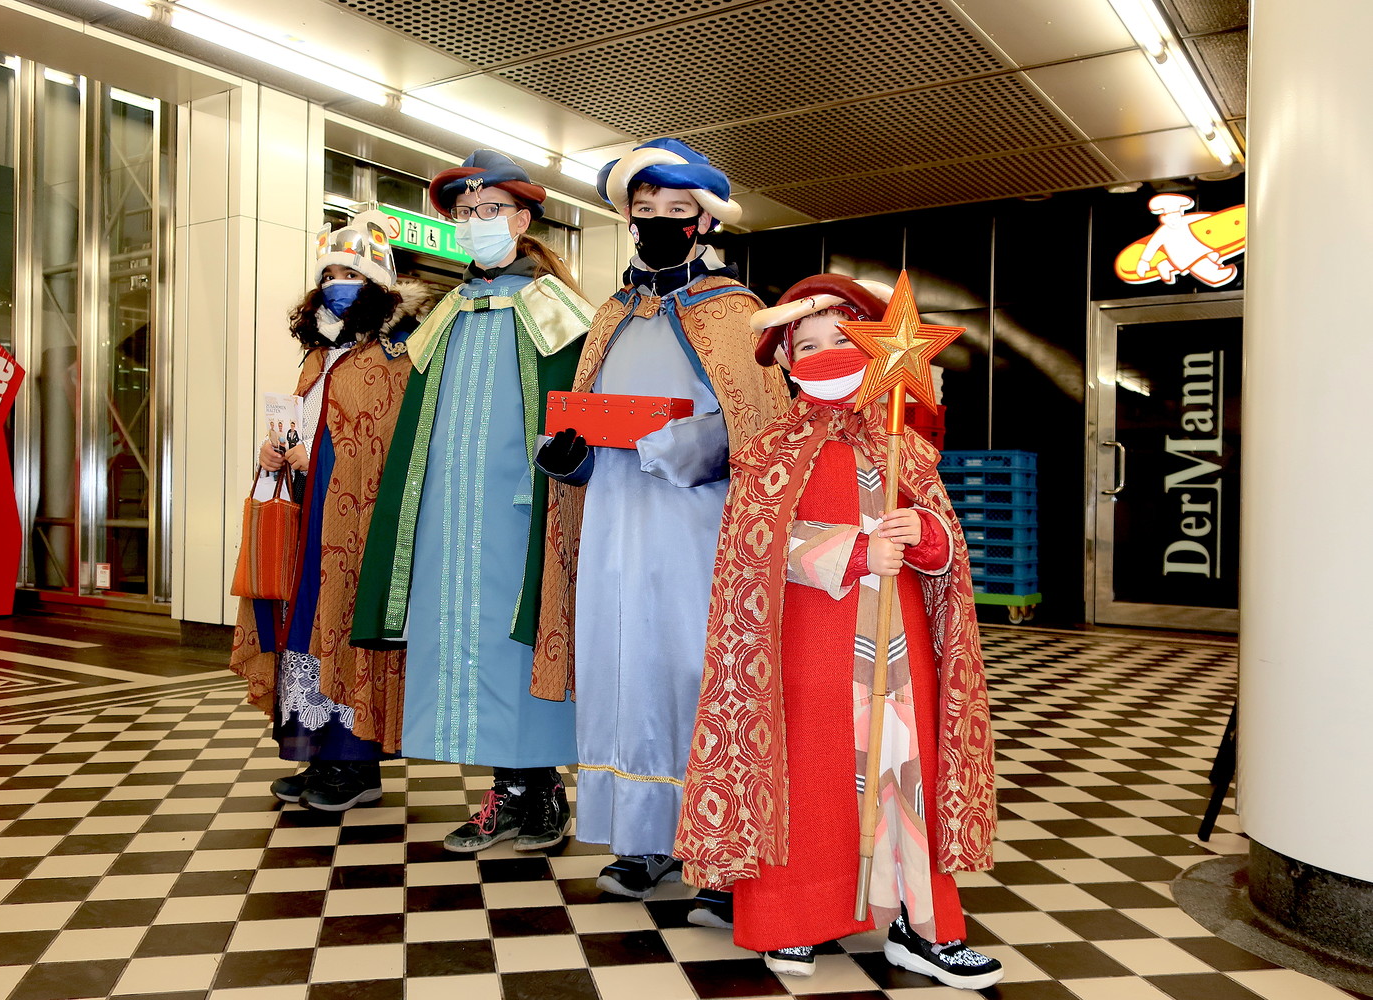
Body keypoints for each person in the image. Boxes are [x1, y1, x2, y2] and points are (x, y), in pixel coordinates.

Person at [674, 275, 1002, 988]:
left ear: (874, 349)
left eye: (842, 337)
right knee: (810, 778)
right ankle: (795, 920)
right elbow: (753, 548)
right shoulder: (769, 450)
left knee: (907, 771)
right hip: (808, 651)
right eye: (808, 344)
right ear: (786, 361)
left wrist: (923, 535)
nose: (826, 354)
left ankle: (920, 925)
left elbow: (945, 547)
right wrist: (852, 552)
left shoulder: (904, 445)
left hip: (900, 650)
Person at [532, 138, 789, 911]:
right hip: (613, 530)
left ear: (706, 222)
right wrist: (569, 460)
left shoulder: (737, 313)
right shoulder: (610, 315)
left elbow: (761, 430)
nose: (658, 223)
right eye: (644, 210)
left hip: (697, 533)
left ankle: (720, 850)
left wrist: (682, 446)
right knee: (621, 672)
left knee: (695, 674)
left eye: (677, 210)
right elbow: (585, 419)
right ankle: (644, 842)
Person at [352, 150, 595, 853]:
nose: (475, 221)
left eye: (490, 210)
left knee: (519, 645)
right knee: (468, 647)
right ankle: (508, 790)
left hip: (522, 512)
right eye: (464, 212)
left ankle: (541, 788)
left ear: (521, 220)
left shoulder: (557, 310)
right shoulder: (447, 313)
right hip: (450, 516)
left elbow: (577, 406)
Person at [230, 211, 430, 811]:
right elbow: (307, 423)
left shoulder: (394, 355)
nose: (338, 284)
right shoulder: (319, 355)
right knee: (305, 627)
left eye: (352, 274)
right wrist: (276, 452)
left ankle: (354, 766)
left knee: (345, 625)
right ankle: (319, 755)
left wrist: (317, 456)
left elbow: (388, 444)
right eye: (330, 274)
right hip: (309, 513)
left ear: (379, 284)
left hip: (359, 523)